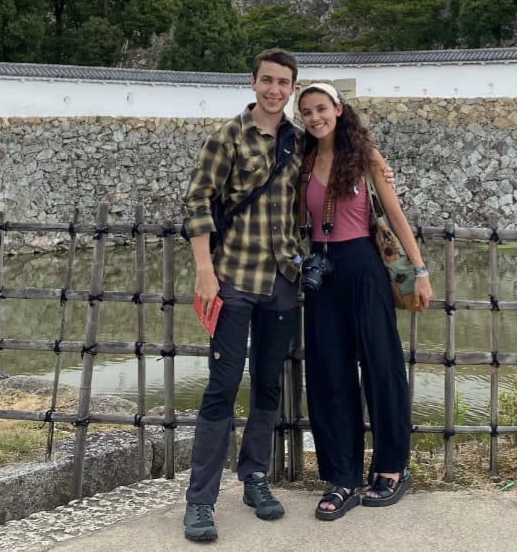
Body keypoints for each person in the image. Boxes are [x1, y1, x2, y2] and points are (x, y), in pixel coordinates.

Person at [181, 48, 304, 543]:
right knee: (222, 387)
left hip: (283, 282)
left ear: (293, 88)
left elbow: (330, 181)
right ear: (253, 83)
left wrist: (382, 176)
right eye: (268, 80)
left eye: (284, 83)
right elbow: (196, 200)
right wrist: (204, 270)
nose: (275, 90)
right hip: (233, 279)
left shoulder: (298, 141)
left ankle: (254, 476)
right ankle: (200, 501)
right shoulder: (226, 137)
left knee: (269, 384)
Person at [294, 81, 432, 522]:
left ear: (338, 109)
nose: (315, 118)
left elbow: (394, 213)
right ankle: (342, 476)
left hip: (363, 266)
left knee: (381, 366)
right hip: (320, 268)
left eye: (322, 109)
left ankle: (392, 468)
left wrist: (420, 269)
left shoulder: (366, 157)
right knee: (328, 372)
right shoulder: (302, 159)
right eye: (308, 112)